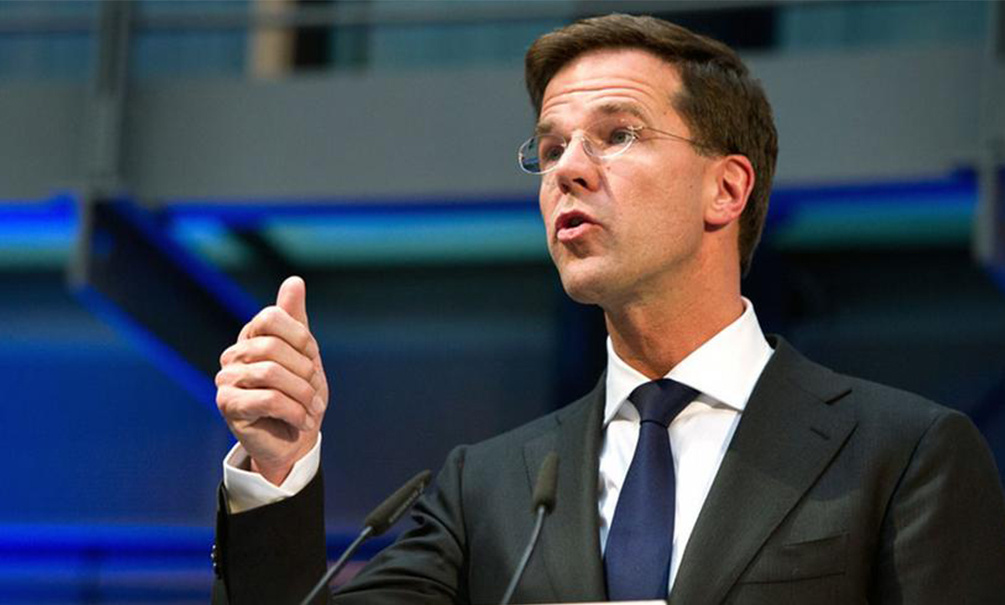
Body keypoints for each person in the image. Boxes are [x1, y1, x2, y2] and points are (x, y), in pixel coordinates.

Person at [211, 13, 1005, 605]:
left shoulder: (901, 453)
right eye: (550, 147)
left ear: (725, 189)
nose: (567, 170)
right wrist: (278, 468)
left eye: (617, 134)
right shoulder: (487, 488)